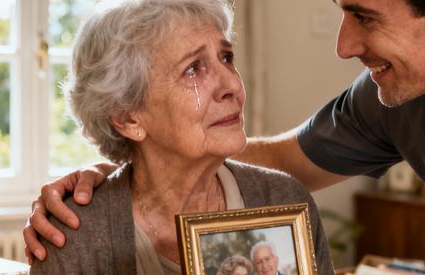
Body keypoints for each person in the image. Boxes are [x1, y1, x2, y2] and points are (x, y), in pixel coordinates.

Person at [26, 0, 425, 273]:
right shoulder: (395, 96)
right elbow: (283, 157)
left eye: (365, 16)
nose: (344, 44)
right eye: (193, 68)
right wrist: (121, 171)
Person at [27, 0, 334, 274]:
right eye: (193, 69)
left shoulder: (285, 201)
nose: (232, 85)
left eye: (226, 57)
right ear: (128, 117)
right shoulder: (74, 235)